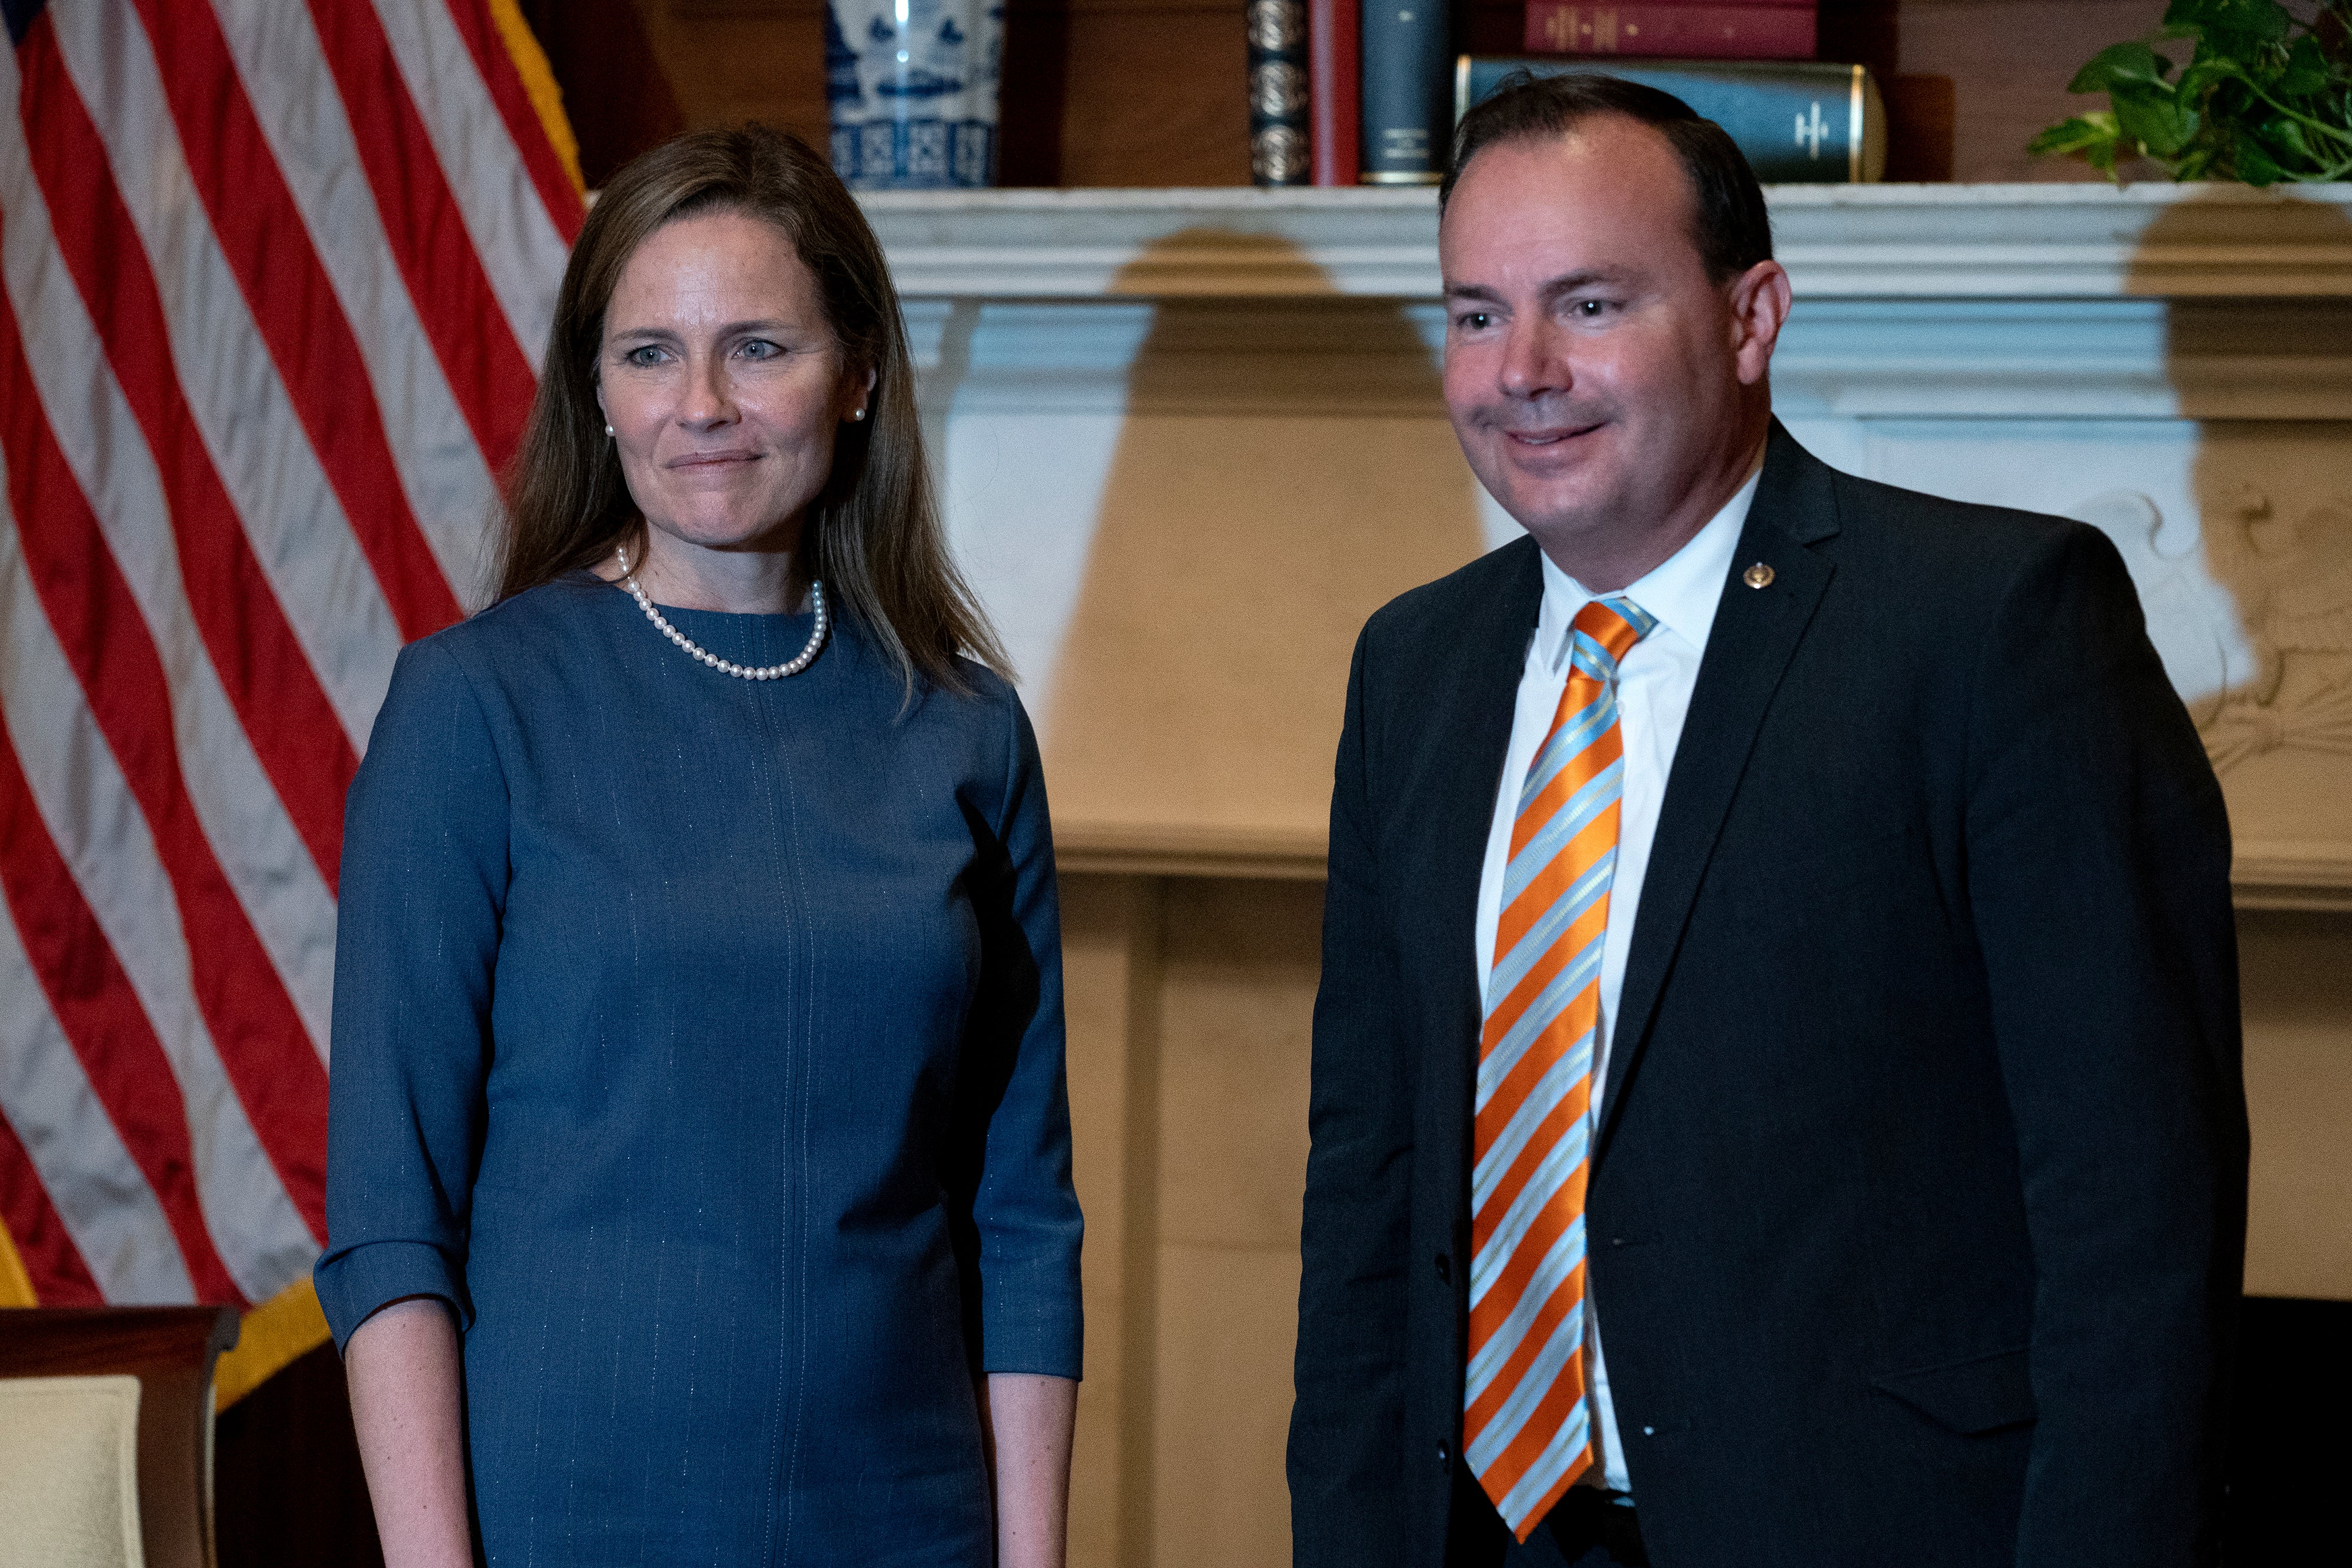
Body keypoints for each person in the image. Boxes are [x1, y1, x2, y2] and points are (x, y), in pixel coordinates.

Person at [1288, 73, 2244, 1568]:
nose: (1520, 370)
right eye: (1475, 314)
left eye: (1588, 304)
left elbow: (2136, 1225)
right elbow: (1367, 1191)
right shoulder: (1412, 667)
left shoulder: (1989, 631)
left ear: (1750, 319)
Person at [315, 126, 1082, 1568]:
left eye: (758, 346)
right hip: (567, 1518)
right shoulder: (475, 706)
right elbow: (389, 1222)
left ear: (857, 372)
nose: (703, 404)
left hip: (910, 1518)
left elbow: (1023, 1216)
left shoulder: (968, 729)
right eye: (650, 354)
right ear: (593, 392)